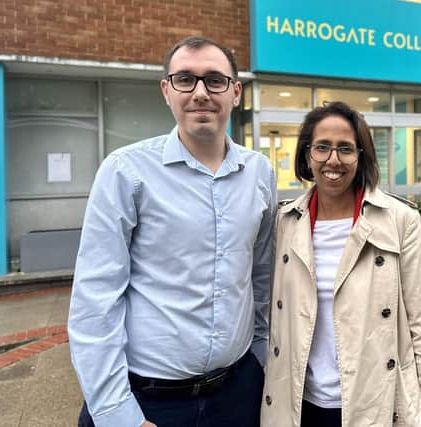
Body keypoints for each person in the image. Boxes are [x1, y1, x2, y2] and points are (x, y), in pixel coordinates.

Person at [68, 36, 276, 427]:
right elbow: (95, 301)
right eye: (185, 79)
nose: (200, 92)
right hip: (149, 403)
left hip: (239, 394)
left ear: (236, 93)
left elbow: (260, 277)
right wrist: (118, 414)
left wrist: (263, 360)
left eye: (215, 80)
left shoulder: (260, 173)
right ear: (167, 90)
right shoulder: (125, 172)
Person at [261, 101, 421, 427]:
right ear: (307, 155)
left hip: (374, 404)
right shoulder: (285, 222)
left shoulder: (400, 220)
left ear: (361, 156)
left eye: (345, 149)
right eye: (322, 148)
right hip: (300, 405)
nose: (333, 160)